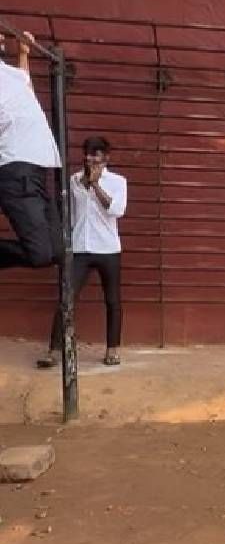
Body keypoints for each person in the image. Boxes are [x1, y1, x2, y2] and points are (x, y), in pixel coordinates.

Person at [44, 136, 128, 369]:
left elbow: (117, 211)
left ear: (106, 158)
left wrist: (96, 185)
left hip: (108, 248)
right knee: (67, 298)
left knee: (112, 300)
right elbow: (69, 212)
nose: (92, 158)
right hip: (81, 247)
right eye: (89, 153)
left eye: (97, 154)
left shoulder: (118, 181)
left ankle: (112, 349)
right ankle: (54, 350)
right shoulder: (74, 181)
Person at [0, 29, 60, 273]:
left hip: (37, 169)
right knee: (40, 254)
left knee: (57, 250)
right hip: (16, 169)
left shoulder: (11, 74)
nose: (2, 37)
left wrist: (24, 54)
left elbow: (27, 89)